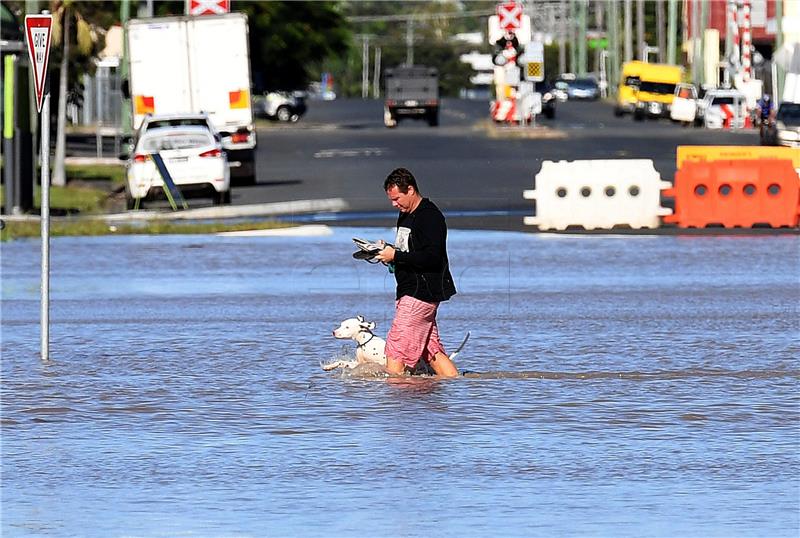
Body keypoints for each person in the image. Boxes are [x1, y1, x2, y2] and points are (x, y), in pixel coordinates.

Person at [375, 168, 459, 378]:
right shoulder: (405, 215)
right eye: (391, 200)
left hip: (420, 293)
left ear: (410, 189)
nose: (394, 204)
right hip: (410, 290)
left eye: (397, 198)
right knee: (431, 351)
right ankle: (457, 388)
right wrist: (387, 252)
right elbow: (409, 250)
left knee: (396, 351)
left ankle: (394, 406)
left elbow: (432, 257)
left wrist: (395, 256)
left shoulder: (430, 217)